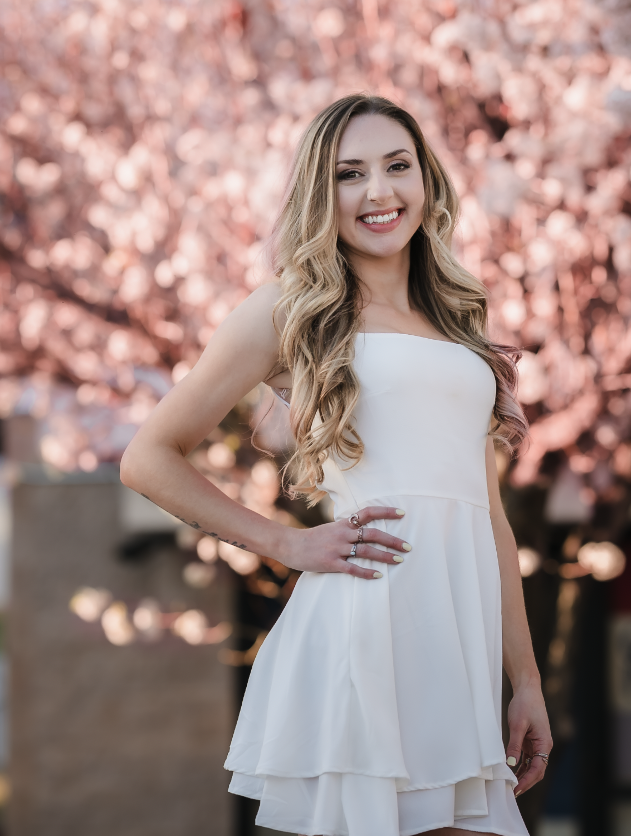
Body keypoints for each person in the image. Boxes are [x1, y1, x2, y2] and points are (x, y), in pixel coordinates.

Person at [121, 94, 551, 836]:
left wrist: (526, 680)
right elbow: (147, 457)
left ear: (427, 180)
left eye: (397, 166)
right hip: (365, 625)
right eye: (351, 174)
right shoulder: (290, 309)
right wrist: (285, 544)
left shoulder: (458, 317)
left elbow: (490, 517)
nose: (379, 192)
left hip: (458, 648)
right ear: (323, 193)